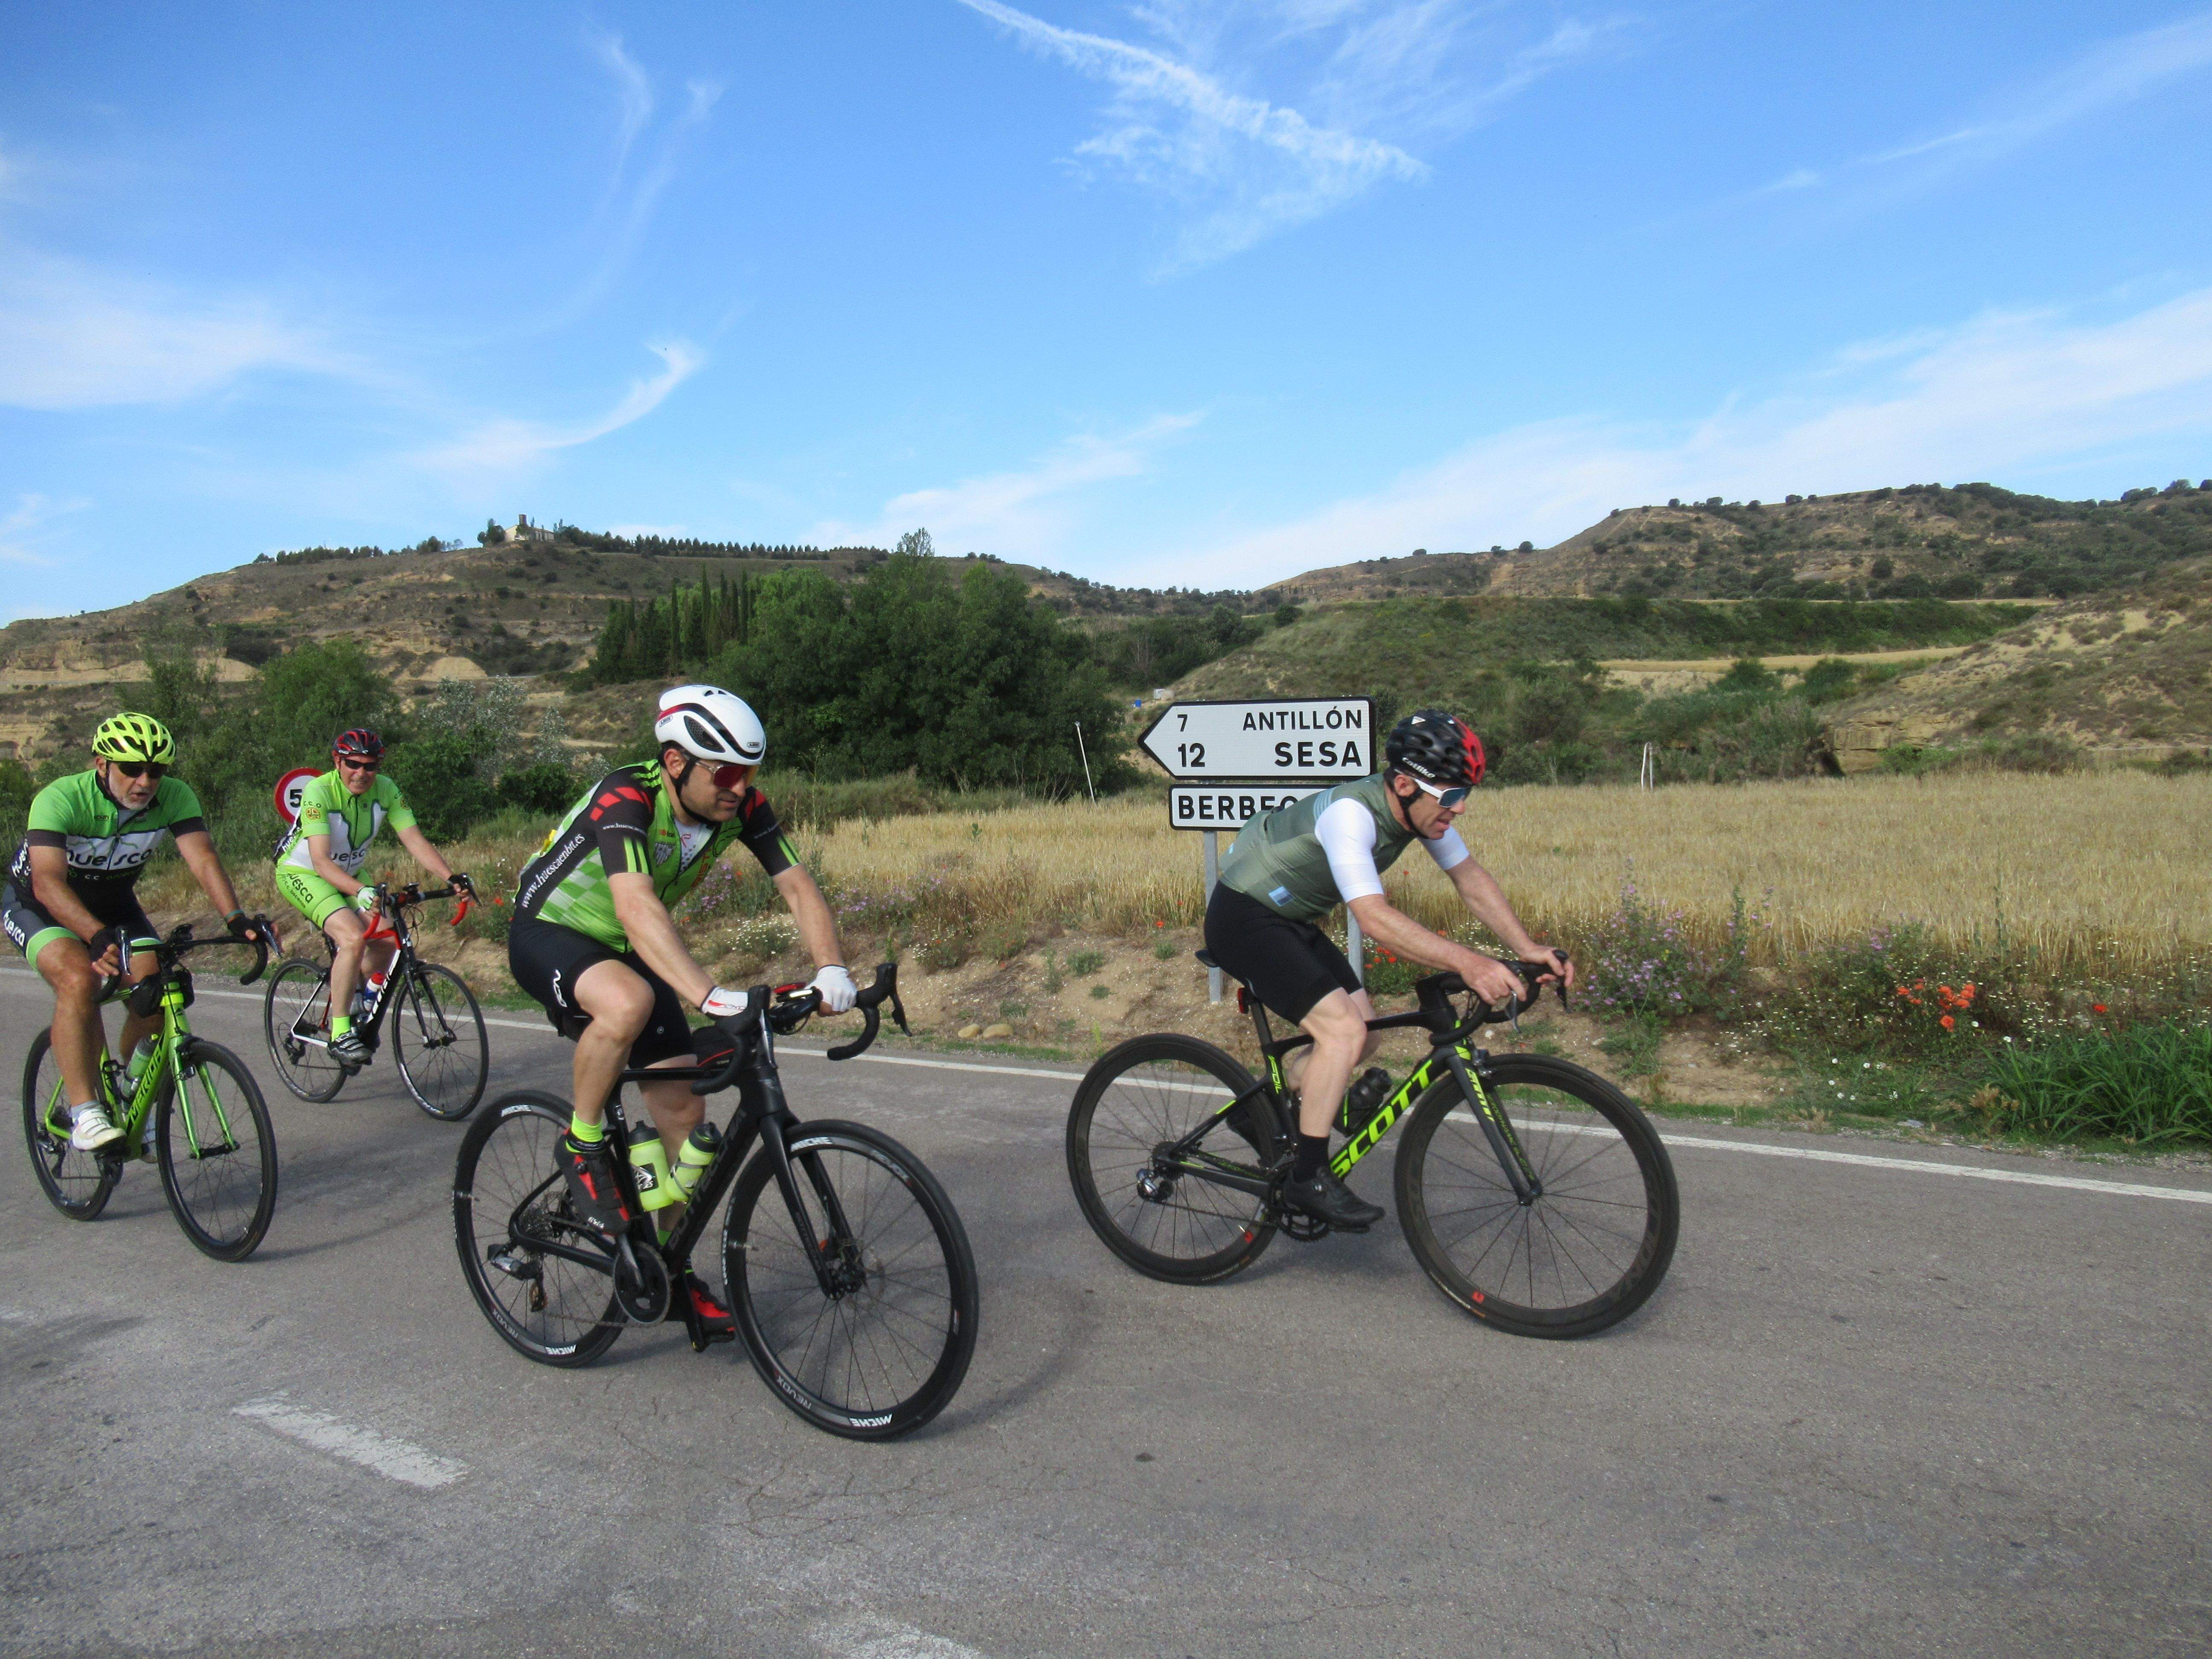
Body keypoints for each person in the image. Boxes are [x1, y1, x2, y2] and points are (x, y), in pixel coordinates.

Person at [507, 684, 859, 1333]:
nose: (740, 786)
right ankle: (582, 1143)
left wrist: (832, 968)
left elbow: (799, 886)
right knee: (629, 1001)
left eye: (750, 772)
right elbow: (637, 906)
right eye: (725, 771)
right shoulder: (627, 795)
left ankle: (667, 1267)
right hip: (550, 928)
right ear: (676, 763)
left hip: (625, 942)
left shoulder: (741, 808)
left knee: (684, 1112)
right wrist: (705, 993)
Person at [1205, 708, 1574, 1230]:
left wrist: (1527, 947)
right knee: (1342, 1031)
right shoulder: (1352, 816)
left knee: (1367, 1037)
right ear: (1403, 784)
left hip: (1292, 919)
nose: (1460, 808)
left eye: (1465, 793)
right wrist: (1470, 963)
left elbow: (1468, 877)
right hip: (1244, 916)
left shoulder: (1423, 811)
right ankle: (1307, 1179)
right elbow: (1374, 918)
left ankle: (1257, 1113)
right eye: (1450, 796)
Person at [3, 713, 280, 1152]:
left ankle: (133, 1089)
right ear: (101, 765)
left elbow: (203, 858)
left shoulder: (174, 797)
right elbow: (47, 882)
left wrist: (235, 918)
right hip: (39, 904)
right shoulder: (61, 798)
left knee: (157, 987)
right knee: (80, 980)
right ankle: (85, 1113)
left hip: (113, 904)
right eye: (131, 769)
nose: (145, 781)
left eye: (156, 771)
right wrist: (94, 935)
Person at [272, 728, 471, 1069]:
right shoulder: (319, 791)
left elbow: (414, 839)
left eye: (371, 766)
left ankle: (360, 997)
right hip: (305, 873)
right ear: (337, 761)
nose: (362, 773)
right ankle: (339, 1032)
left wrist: (450, 877)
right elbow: (320, 861)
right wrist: (359, 891)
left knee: (388, 935)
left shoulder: (387, 790)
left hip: (350, 872)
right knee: (352, 938)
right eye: (353, 764)